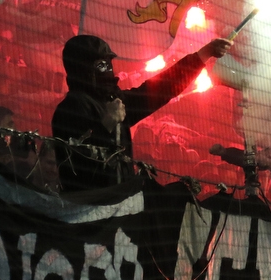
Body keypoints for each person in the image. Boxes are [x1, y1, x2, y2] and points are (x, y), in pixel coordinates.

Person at [51, 35, 232, 191]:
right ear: (83, 69)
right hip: (87, 210)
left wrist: (203, 55)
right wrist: (106, 124)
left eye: (109, 65)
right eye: (101, 65)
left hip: (119, 201)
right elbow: (77, 163)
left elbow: (159, 90)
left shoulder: (115, 100)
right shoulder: (70, 108)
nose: (108, 71)